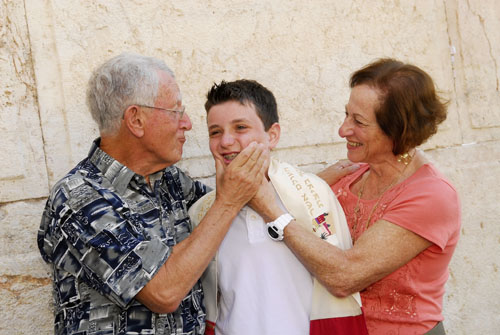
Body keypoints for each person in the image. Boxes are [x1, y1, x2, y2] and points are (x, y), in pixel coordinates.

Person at [37, 53, 270, 335]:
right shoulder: (78, 199)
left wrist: (320, 181)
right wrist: (228, 201)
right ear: (136, 120)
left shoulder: (168, 179)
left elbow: (241, 206)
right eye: (176, 111)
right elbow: (164, 291)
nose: (187, 124)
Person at [252, 58, 461, 335]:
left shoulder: (431, 196)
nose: (343, 129)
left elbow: (344, 276)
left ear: (398, 129)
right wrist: (310, 186)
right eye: (346, 114)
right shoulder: (349, 175)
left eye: (358, 121)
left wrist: (275, 214)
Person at [188, 79, 368, 335]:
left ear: (272, 135)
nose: (226, 141)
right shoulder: (202, 212)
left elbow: (342, 279)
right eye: (215, 132)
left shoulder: (314, 195)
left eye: (240, 127)